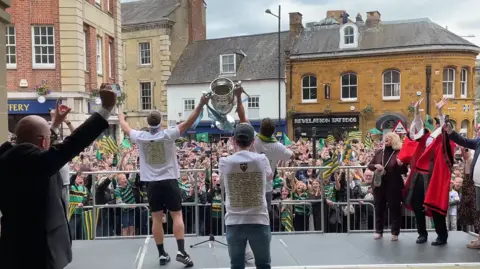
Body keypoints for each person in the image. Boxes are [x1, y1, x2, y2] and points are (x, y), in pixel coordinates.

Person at [0, 88, 116, 269]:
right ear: (43, 142)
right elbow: (74, 143)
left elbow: (39, 149)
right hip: (38, 251)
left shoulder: (8, 159)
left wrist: (53, 126)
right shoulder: (36, 164)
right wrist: (106, 109)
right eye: (48, 139)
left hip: (11, 246)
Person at [118, 95, 208, 267]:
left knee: (156, 219)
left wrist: (121, 115)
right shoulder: (168, 134)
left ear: (148, 121)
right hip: (169, 180)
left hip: (151, 184)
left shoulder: (141, 136)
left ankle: (161, 254)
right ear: (161, 121)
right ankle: (181, 252)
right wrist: (201, 104)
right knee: (177, 215)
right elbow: (189, 122)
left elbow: (125, 127)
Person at [234, 87, 293, 261]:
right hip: (265, 188)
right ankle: (261, 250)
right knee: (262, 221)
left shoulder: (255, 139)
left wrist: (238, 98)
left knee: (245, 219)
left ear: (260, 128)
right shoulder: (278, 146)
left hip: (248, 184)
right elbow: (291, 156)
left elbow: (242, 116)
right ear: (274, 131)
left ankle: (245, 250)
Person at [219, 123, 273, 269]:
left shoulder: (224, 162)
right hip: (259, 220)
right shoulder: (262, 159)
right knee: (263, 265)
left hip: (234, 222)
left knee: (236, 265)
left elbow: (221, 182)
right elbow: (269, 177)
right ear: (253, 141)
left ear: (234, 141)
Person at [401, 97, 453, 246]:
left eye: (439, 120)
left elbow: (446, 128)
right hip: (419, 174)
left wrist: (440, 110)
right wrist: (416, 111)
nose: (437, 123)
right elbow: (416, 128)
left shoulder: (443, 137)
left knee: (434, 205)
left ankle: (441, 236)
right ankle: (422, 234)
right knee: (417, 205)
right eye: (437, 120)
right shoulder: (428, 136)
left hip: (433, 176)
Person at [367, 132, 407, 241]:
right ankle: (378, 231)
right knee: (379, 207)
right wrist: (376, 165)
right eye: (385, 137)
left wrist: (400, 165)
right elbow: (369, 166)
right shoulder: (379, 152)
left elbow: (405, 170)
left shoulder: (398, 153)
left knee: (394, 209)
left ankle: (395, 232)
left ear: (394, 139)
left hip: (393, 186)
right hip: (379, 185)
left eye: (389, 137)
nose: (386, 138)